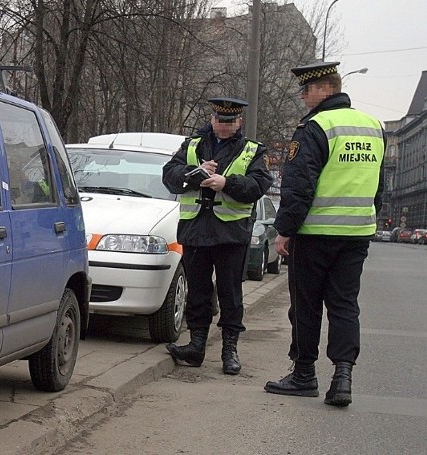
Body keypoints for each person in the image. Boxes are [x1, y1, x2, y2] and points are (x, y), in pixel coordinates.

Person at [264, 62, 385, 407]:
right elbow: (377, 185)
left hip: (315, 232)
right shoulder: (374, 126)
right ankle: (343, 377)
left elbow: (299, 187)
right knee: (345, 305)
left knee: (306, 305)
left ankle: (304, 376)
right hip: (357, 233)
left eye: (307, 89)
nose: (303, 96)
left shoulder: (316, 126)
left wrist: (285, 231)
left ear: (325, 89)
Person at [162, 97, 273, 375]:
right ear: (212, 120)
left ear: (239, 123)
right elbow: (169, 176)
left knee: (230, 294)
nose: (224, 126)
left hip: (231, 233)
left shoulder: (253, 150)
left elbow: (258, 185)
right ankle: (196, 346)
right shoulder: (193, 145)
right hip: (196, 229)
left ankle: (229, 350)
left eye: (230, 122)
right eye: (219, 121)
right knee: (197, 291)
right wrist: (196, 173)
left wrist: (227, 182)